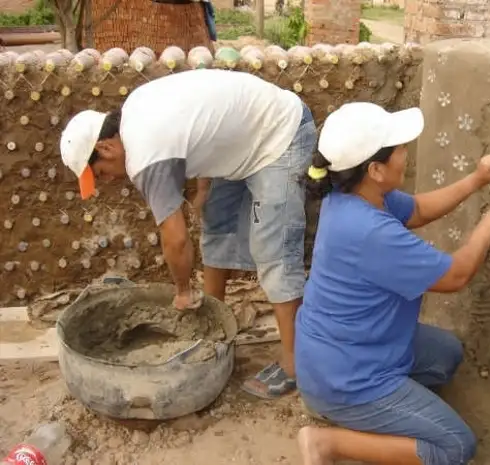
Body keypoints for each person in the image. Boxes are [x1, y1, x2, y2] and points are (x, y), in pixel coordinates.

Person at [59, 69, 317, 400]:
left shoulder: (144, 157)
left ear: (106, 148)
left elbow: (176, 239)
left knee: (274, 253)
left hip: (280, 134)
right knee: (217, 228)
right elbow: (203, 128)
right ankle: (213, 326)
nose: (107, 180)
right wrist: (205, 187)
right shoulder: (134, 111)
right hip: (244, 140)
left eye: (100, 173)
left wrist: (182, 290)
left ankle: (296, 367)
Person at [294, 102, 490, 465]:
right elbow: (456, 276)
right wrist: (488, 226)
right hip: (344, 377)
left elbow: (416, 210)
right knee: (455, 446)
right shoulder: (370, 231)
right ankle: (329, 442)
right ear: (375, 169)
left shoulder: (353, 196)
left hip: (339, 352)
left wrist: (477, 179)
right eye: (399, 148)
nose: (406, 153)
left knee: (446, 355)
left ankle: (373, 410)